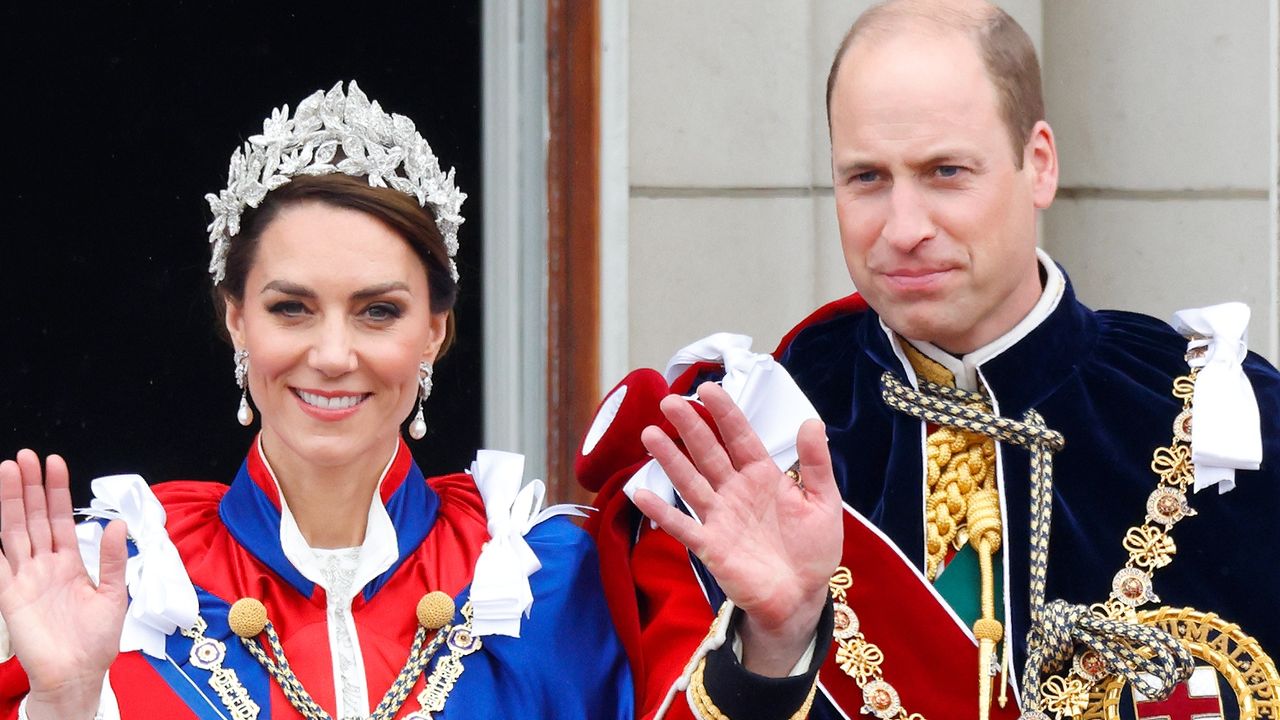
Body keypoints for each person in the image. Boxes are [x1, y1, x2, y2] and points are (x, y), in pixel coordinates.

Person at [576, 1, 1280, 718]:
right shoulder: (744, 447)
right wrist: (774, 645)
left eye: (945, 171)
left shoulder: (1229, 422)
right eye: (867, 178)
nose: (904, 228)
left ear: (1037, 165)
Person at [0, 81, 634, 719]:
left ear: (434, 331)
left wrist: (743, 627)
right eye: (292, 308)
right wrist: (64, 702)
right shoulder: (125, 587)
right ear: (238, 320)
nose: (333, 356)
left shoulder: (541, 582)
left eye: (378, 311)